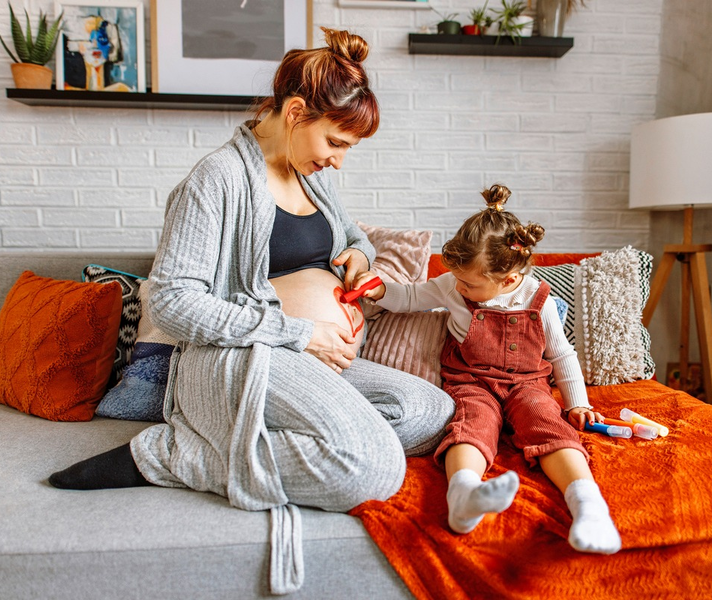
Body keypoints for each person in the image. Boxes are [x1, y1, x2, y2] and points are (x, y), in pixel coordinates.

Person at [48, 27, 454, 591]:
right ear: (295, 113)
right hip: (238, 359)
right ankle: (179, 455)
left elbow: (355, 237)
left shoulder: (310, 178)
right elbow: (171, 299)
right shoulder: (215, 181)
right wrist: (296, 332)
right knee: (372, 467)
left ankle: (244, 439)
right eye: (335, 143)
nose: (338, 161)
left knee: (430, 411)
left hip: (310, 363)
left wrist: (359, 261)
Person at [353, 184, 622, 555]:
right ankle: (464, 494)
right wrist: (381, 291)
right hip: (471, 381)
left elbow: (562, 355)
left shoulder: (537, 299)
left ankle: (588, 505)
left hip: (528, 384)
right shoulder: (452, 285)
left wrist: (577, 403)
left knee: (547, 422)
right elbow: (412, 297)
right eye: (459, 279)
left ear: (509, 280)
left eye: (470, 283)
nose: (459, 286)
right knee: (471, 424)